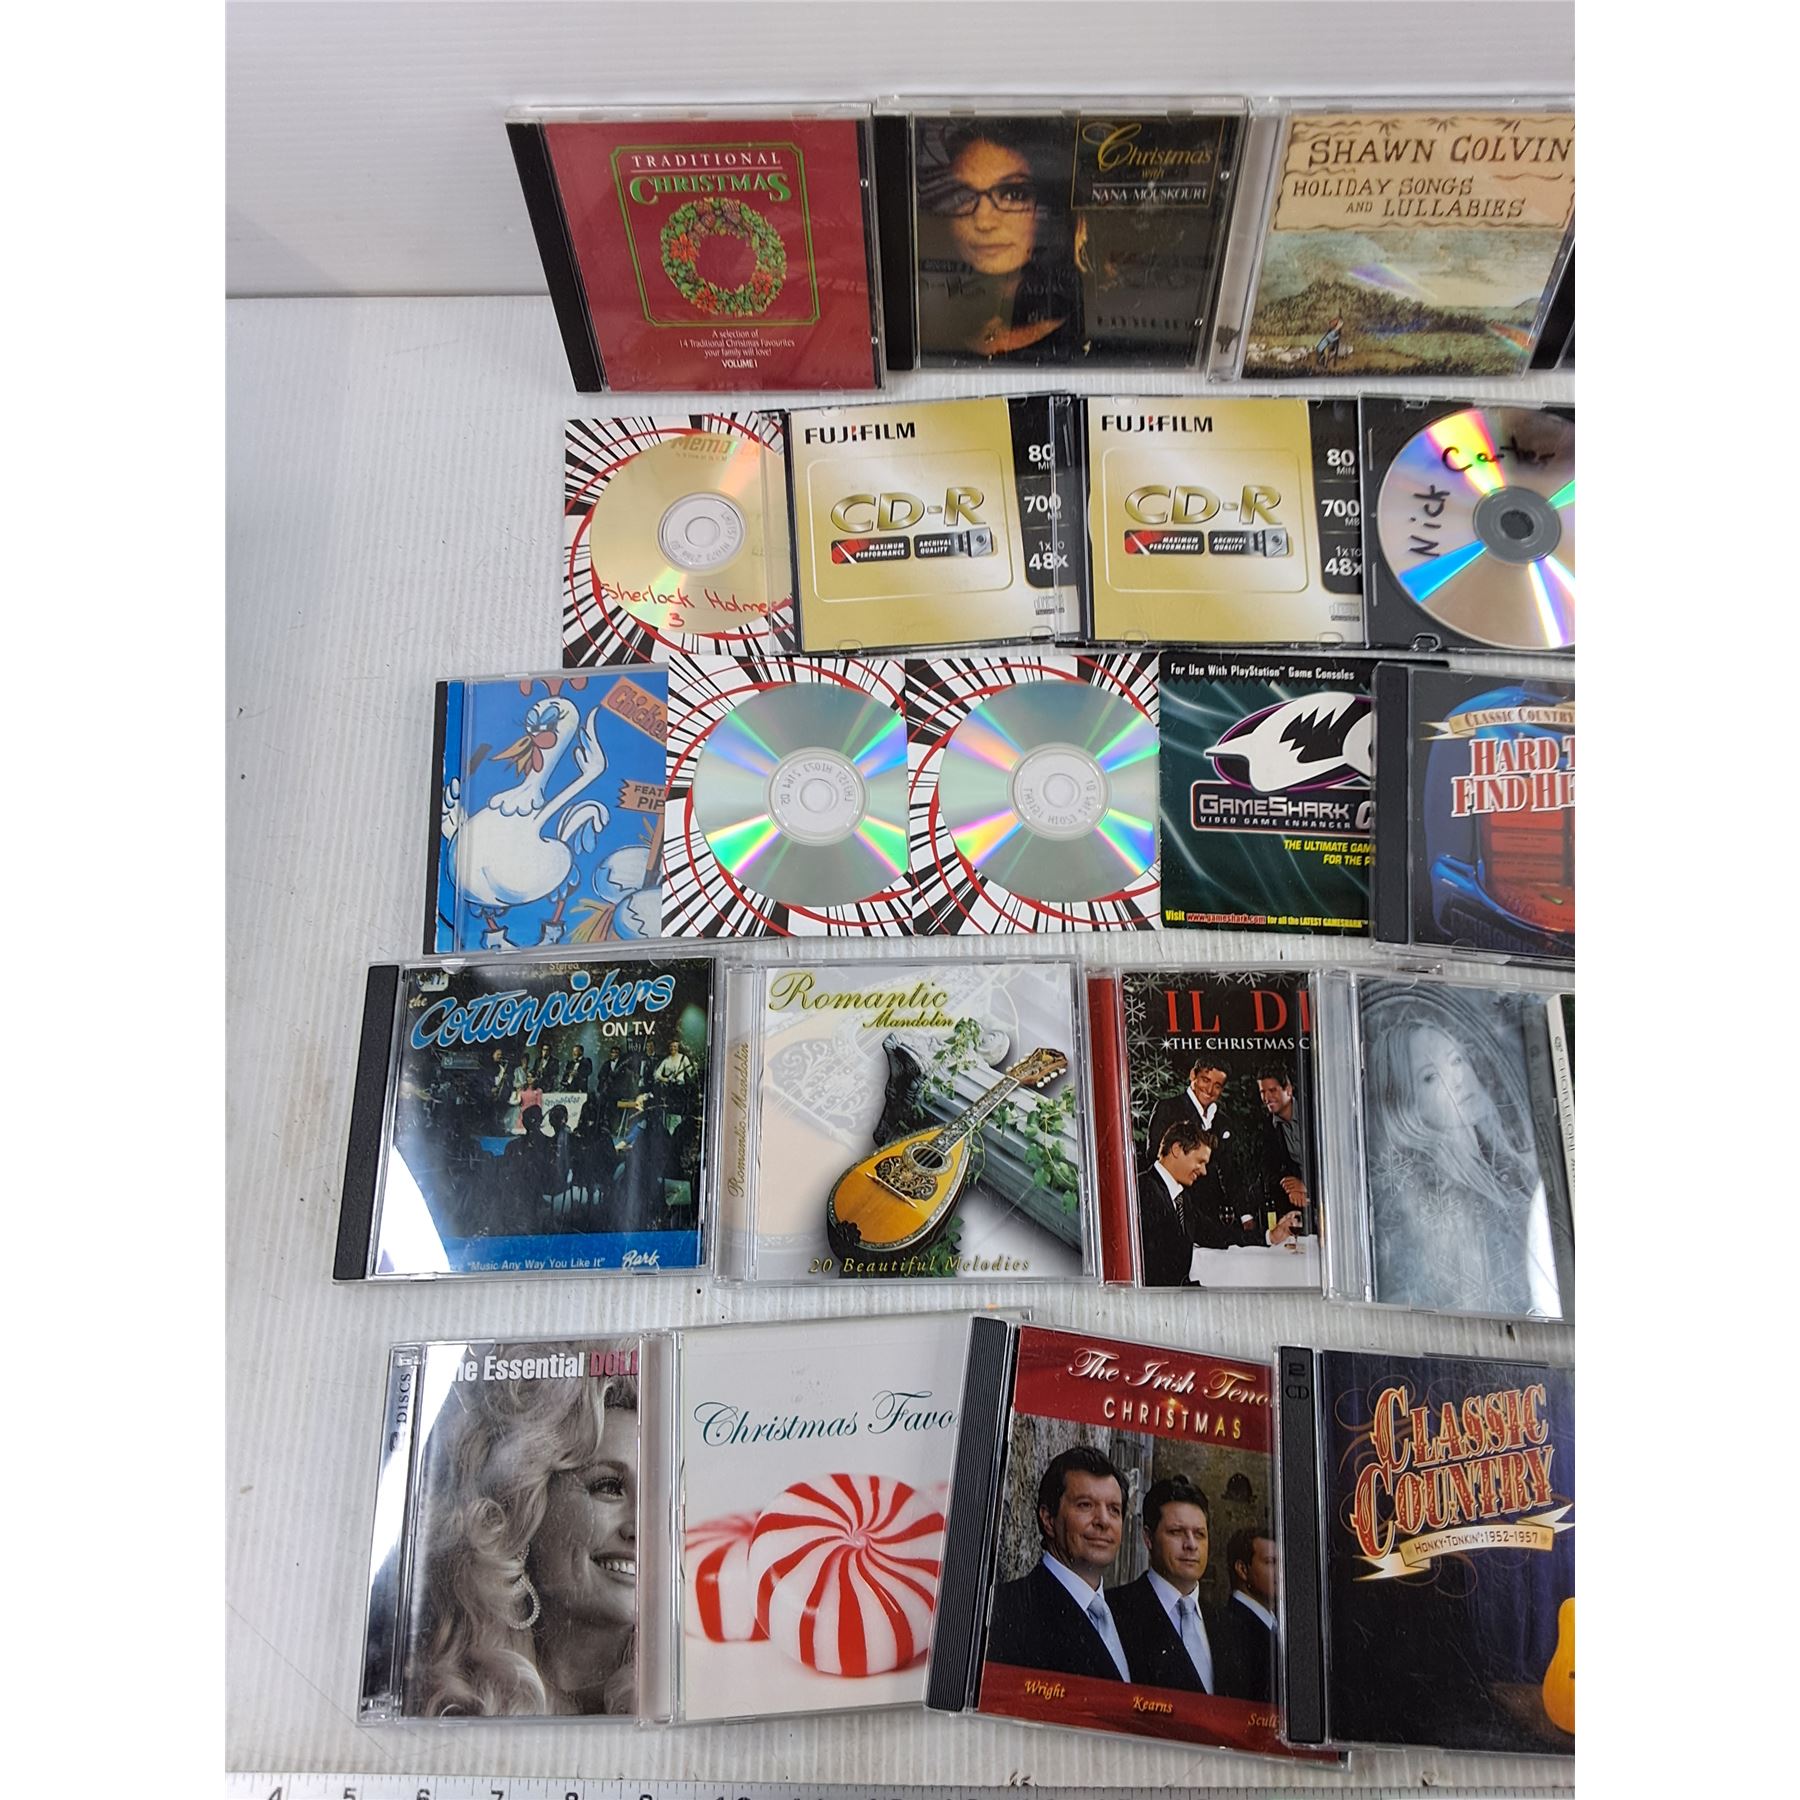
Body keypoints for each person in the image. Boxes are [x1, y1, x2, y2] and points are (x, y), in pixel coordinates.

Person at [410, 1348, 638, 1716]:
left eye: (662, 1499)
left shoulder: (687, 1698)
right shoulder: (443, 1696)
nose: (640, 1528)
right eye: (609, 1487)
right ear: (527, 1505)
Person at [1363, 998, 1562, 1316]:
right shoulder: (1443, 1202)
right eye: (1430, 1077)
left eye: (1456, 1060)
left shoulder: (1506, 1166)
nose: (1456, 1078)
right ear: (1405, 1102)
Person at [918, 122, 1077, 361]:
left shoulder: (1083, 345)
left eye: (1013, 194)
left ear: (1049, 207)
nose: (983, 222)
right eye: (963, 195)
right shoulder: (928, 335)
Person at [985, 1446, 1130, 1681]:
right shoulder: (1006, 1611)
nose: (1104, 1521)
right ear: (1048, 1519)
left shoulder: (1130, 1618)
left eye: (1114, 1509)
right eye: (1085, 1505)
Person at [1109, 1476, 1219, 1693]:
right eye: (1176, 1532)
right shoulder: (1113, 1612)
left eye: (1200, 1534)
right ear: (1148, 1538)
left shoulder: (1228, 1626)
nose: (1191, 1545)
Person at [1211, 1524, 1278, 1703]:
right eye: (1271, 1562)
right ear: (1242, 1569)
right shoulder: (1231, 1628)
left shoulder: (1273, 1625)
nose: (1281, 1571)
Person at [1137, 1121, 1208, 1287]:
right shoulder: (1142, 1189)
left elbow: (1214, 1233)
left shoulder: (1183, 1199)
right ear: (1177, 1149)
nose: (1204, 1171)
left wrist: (1266, 1236)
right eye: (1200, 1161)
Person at [1254, 1064, 1312, 1229]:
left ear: (1289, 1090)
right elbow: (1268, 1169)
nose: (1266, 1098)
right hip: (1297, 1202)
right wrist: (1290, 1186)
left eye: (1272, 1090)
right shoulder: (1268, 1126)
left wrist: (1307, 1186)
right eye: (1262, 1092)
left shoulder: (1313, 1113)